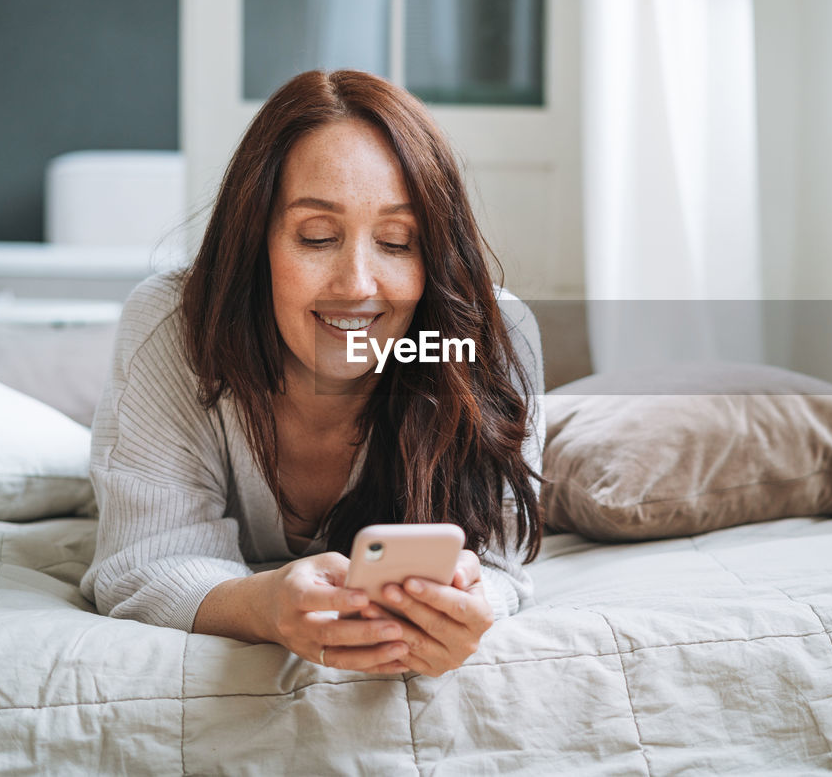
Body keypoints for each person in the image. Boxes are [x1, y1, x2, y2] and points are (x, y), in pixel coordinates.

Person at [79, 69, 544, 678]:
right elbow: (140, 559)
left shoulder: (491, 339)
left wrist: (470, 601)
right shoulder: (172, 325)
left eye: (398, 242)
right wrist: (264, 605)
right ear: (256, 243)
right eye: (317, 236)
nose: (356, 285)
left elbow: (502, 566)